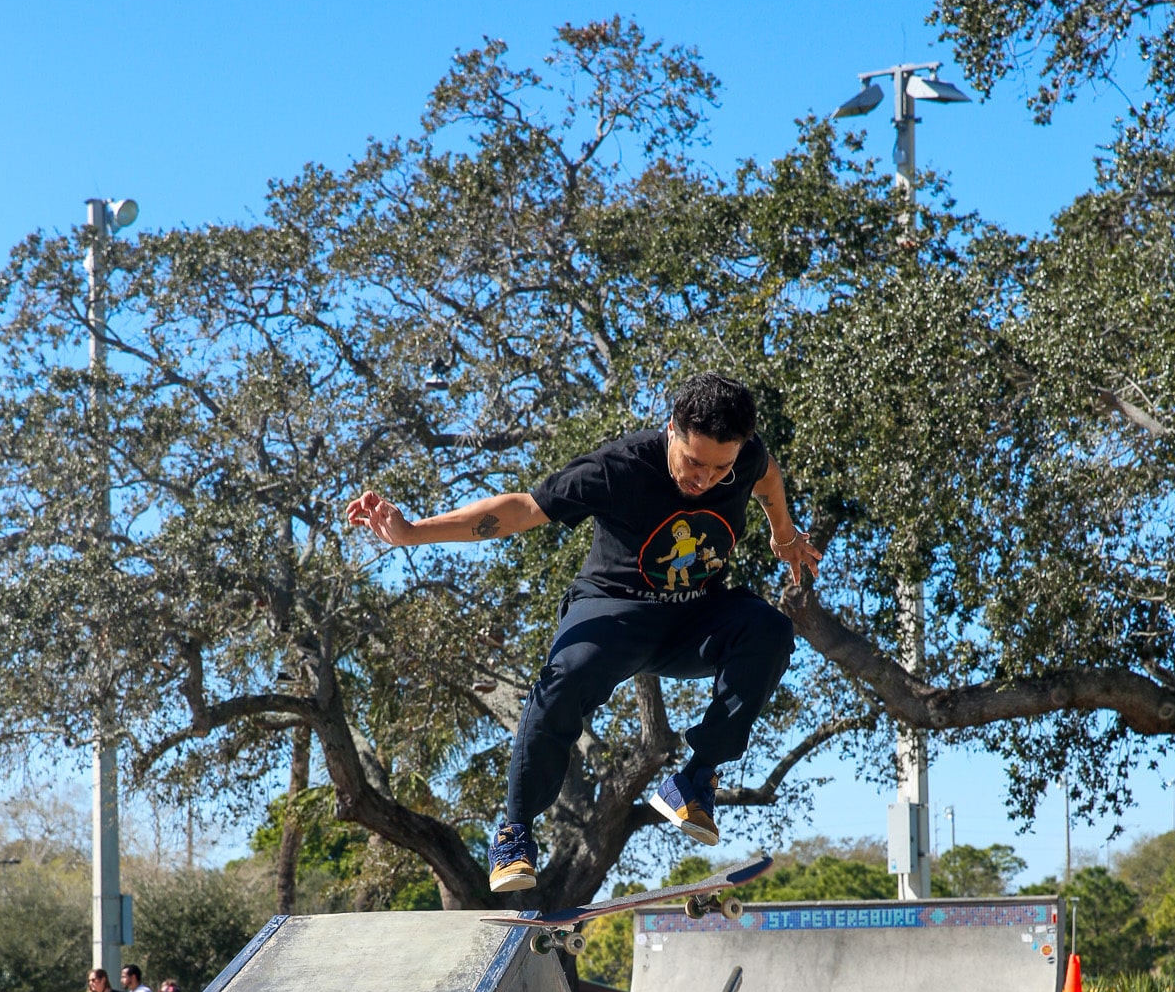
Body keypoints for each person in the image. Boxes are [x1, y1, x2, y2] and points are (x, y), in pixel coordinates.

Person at [347, 372, 821, 894]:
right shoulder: (618, 467)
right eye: (693, 461)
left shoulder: (745, 458)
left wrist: (785, 536)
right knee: (564, 679)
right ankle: (515, 832)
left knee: (771, 630)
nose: (705, 479)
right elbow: (521, 510)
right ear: (671, 432)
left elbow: (767, 477)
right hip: (613, 612)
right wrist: (413, 533)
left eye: (720, 467)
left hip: (694, 618)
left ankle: (695, 779)